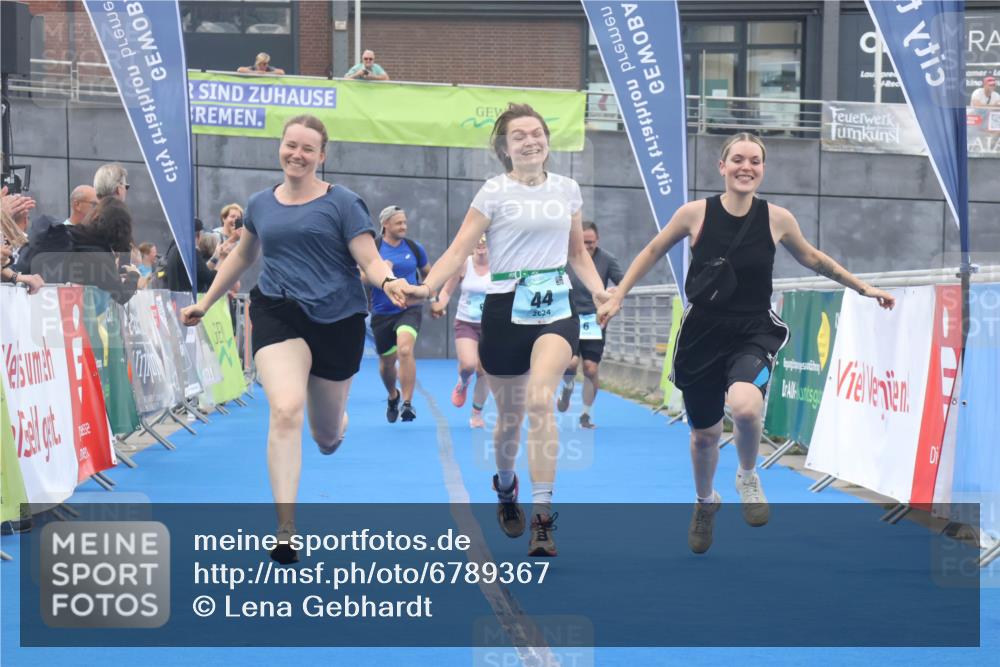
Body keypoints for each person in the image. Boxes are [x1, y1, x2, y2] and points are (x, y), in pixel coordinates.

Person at [597, 132, 896, 554]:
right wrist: (619, 293)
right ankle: (705, 503)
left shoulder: (777, 218)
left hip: (753, 330)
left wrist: (863, 287)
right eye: (737, 159)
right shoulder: (694, 214)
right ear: (722, 166)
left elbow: (814, 259)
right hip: (702, 333)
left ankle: (747, 474)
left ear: (762, 169)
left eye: (755, 161)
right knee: (703, 435)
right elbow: (650, 251)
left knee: (745, 405)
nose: (746, 167)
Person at [180, 114, 404, 565]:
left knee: (325, 436)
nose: (297, 154)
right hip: (277, 311)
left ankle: (334, 424)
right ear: (280, 147)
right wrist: (206, 302)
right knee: (284, 408)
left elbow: (368, 256)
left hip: (337, 319)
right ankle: (285, 527)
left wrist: (388, 281)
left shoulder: (343, 203)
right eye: (291, 145)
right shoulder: (261, 204)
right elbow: (244, 256)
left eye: (307, 148)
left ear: (322, 156)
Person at [403, 103, 610, 557]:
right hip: (502, 311)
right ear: (505, 147)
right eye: (519, 136)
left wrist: (599, 293)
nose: (530, 141)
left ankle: (542, 520)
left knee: (540, 402)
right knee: (509, 424)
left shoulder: (568, 190)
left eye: (537, 133)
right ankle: (505, 485)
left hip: (555, 308)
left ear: (548, 142)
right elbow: (458, 250)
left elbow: (577, 255)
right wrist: (426, 288)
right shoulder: (492, 193)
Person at [556, 221, 623, 429]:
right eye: (583, 242)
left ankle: (585, 415)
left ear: (598, 240)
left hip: (594, 319)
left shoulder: (607, 259)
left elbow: (623, 283)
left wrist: (614, 296)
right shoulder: (564, 256)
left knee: (590, 369)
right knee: (570, 364)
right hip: (568, 316)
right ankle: (567, 386)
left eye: (591, 243)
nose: (586, 247)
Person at [367, 205, 430, 423]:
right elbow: (360, 278)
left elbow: (428, 276)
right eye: (399, 223)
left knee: (405, 350)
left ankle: (408, 404)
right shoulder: (372, 249)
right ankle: (393, 396)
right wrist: (381, 270)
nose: (404, 226)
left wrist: (433, 297)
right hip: (382, 312)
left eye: (405, 222)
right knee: (386, 362)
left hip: (409, 309)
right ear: (385, 225)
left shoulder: (414, 248)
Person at [30, 197, 140, 305]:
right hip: (63, 314)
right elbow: (122, 296)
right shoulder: (100, 258)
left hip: (37, 304)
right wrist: (134, 275)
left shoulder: (74, 234)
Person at [431, 235, 491, 428]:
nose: (480, 243)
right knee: (468, 365)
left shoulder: (501, 265)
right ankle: (463, 382)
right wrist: (438, 305)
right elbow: (447, 291)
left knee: (485, 371)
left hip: (493, 326)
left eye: (485, 239)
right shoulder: (464, 265)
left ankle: (476, 414)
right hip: (466, 323)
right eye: (477, 239)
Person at [163, 219, 226, 293]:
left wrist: (216, 256)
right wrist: (222, 258)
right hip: (189, 299)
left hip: (177, 299)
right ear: (199, 234)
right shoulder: (192, 252)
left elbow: (201, 271)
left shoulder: (174, 249)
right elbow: (209, 278)